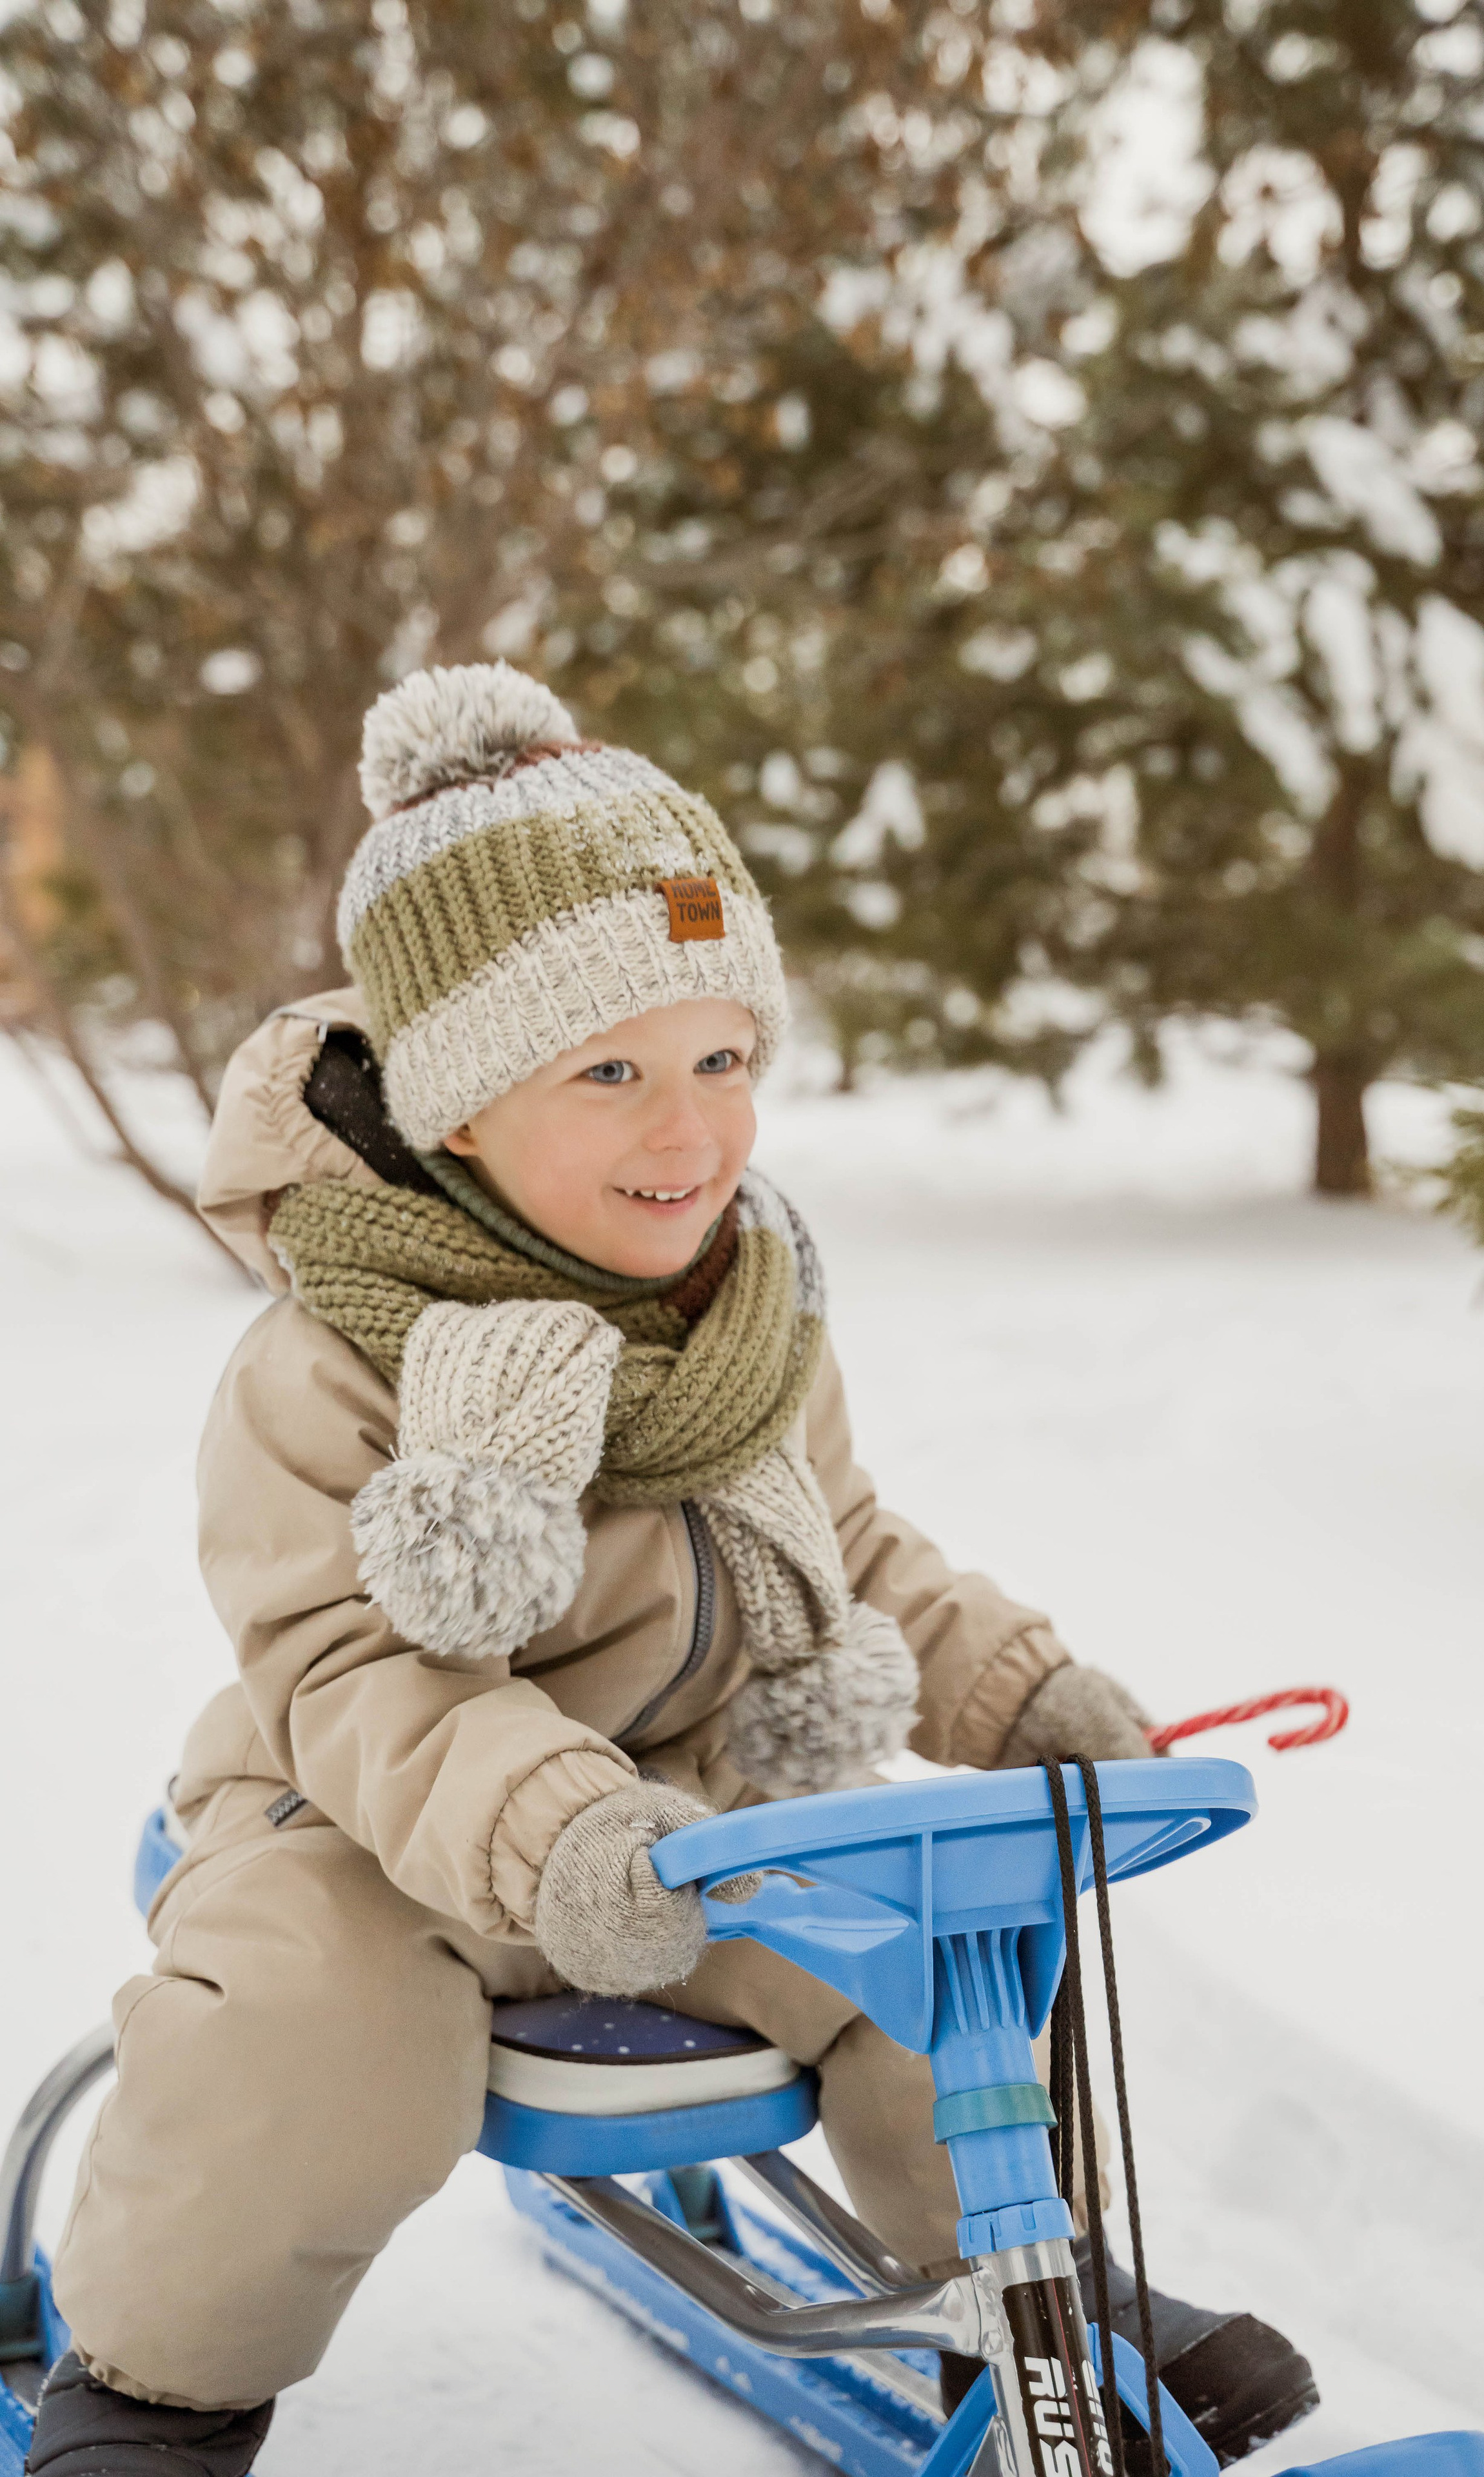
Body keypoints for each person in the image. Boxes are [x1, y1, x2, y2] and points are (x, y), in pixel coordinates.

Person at [26, 664, 1316, 2474]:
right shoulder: (331, 1363)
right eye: (610, 1073)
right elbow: (356, 1675)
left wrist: (1021, 1691)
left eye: (722, 1058)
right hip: (369, 1828)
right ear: (462, 1104)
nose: (688, 1128)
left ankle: (1021, 2295)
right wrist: (558, 1831)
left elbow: (846, 1547)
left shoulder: (752, 1314)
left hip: (698, 1812)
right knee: (315, 2039)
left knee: (930, 1947)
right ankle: (156, 2381)